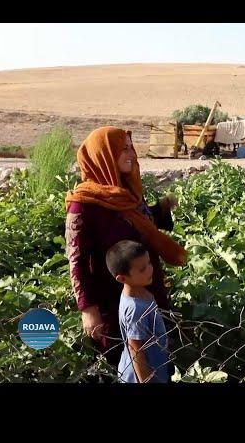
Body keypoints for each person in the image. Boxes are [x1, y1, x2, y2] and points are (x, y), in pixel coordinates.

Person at [65, 126, 186, 367]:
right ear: (104, 155)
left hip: (149, 290)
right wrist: (88, 309)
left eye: (132, 148)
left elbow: (134, 222)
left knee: (157, 359)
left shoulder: (126, 192)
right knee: (126, 364)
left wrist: (160, 210)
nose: (132, 154)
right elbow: (76, 260)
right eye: (123, 149)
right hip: (115, 301)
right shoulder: (83, 205)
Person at [106, 240, 170, 383]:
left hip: (155, 366)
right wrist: (145, 380)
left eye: (149, 263)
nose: (150, 269)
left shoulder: (140, 291)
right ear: (122, 278)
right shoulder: (135, 308)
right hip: (139, 375)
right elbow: (136, 349)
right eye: (142, 269)